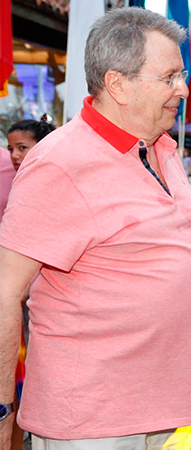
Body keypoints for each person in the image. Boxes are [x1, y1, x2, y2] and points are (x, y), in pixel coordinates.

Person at [0, 8, 191, 449]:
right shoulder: (59, 163)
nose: (183, 89)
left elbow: (174, 242)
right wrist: (1, 409)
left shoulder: (160, 147)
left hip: (167, 408)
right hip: (94, 418)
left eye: (181, 74)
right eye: (169, 77)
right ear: (117, 84)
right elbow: (5, 291)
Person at [4, 116, 55, 450]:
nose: (14, 155)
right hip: (14, 294)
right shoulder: (16, 179)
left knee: (21, 379)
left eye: (23, 147)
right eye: (11, 148)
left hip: (33, 298)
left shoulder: (49, 180)